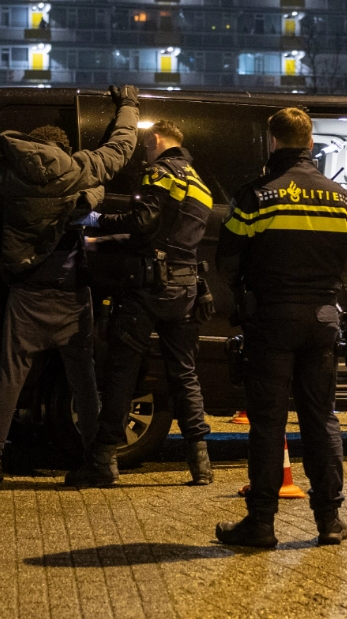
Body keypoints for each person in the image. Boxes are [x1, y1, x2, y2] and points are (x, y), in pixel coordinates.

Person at [0, 85, 140, 482]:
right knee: (83, 380)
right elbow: (122, 145)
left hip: (27, 291)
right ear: (64, 148)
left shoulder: (11, 173)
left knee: (11, 376)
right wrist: (128, 105)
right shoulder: (82, 169)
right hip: (71, 290)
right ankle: (98, 460)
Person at [214, 107, 347, 549]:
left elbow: (227, 262)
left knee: (268, 424)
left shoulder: (256, 195)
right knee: (321, 420)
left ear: (273, 142)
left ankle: (261, 524)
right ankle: (329, 521)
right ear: (310, 143)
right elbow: (346, 261)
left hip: (273, 320)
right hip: (322, 320)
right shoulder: (343, 199)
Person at [70, 119, 215, 488]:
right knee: (184, 372)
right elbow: (168, 238)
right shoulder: (201, 184)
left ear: (156, 139)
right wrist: (108, 242)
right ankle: (201, 462)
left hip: (149, 288)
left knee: (122, 370)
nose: (144, 153)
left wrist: (97, 221)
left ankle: (103, 460)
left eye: (146, 146)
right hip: (185, 288)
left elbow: (145, 223)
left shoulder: (161, 172)